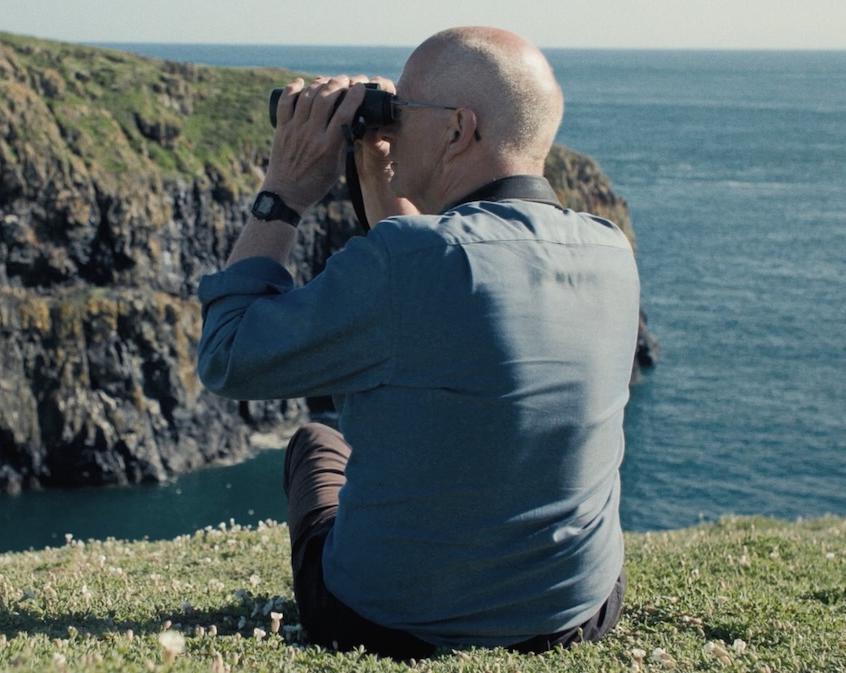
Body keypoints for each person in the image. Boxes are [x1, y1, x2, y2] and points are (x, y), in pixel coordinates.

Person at [196, 27, 639, 658]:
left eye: (403, 111)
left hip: (385, 623)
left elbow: (227, 355)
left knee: (318, 442)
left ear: (458, 130)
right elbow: (440, 287)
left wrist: (285, 190)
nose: (393, 125)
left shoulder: (411, 261)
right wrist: (381, 172)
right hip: (577, 612)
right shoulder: (609, 248)